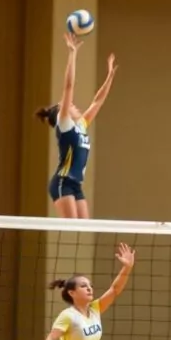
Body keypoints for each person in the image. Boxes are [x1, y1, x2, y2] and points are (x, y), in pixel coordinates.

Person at [34, 32, 118, 219]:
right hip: (62, 182)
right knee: (72, 226)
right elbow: (69, 87)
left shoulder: (81, 125)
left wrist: (110, 76)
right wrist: (72, 54)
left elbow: (97, 101)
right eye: (69, 105)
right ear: (62, 113)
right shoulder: (64, 125)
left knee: (84, 227)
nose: (73, 104)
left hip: (76, 184)